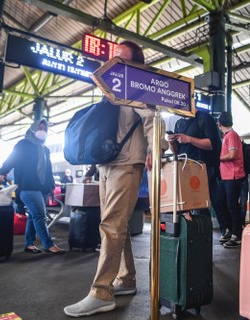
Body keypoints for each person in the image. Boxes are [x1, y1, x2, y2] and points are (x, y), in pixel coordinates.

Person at [64, 40, 168, 317]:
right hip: (108, 164)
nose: (115, 63)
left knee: (111, 225)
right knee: (113, 225)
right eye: (114, 58)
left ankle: (101, 292)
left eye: (123, 59)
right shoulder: (112, 88)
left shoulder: (136, 85)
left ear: (136, 64)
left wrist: (154, 150)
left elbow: (152, 120)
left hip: (127, 164)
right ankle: (126, 279)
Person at [0, 119, 65, 255]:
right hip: (27, 185)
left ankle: (29, 244)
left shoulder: (45, 149)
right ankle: (48, 244)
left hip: (43, 187)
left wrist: (51, 186)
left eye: (45, 128)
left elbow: (48, 169)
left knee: (33, 216)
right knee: (40, 215)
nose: (42, 131)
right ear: (33, 129)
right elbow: (12, 159)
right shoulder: (23, 144)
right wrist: (2, 172)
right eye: (40, 127)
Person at [167, 110, 228, 240]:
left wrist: (188, 139)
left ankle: (226, 230)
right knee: (190, 205)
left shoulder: (204, 118)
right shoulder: (179, 123)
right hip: (185, 169)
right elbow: (177, 151)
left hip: (204, 168)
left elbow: (212, 144)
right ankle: (198, 235)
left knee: (215, 202)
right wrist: (172, 142)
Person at [217, 112, 245, 248]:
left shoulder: (232, 136)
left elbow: (233, 154)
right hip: (226, 176)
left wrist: (219, 158)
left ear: (219, 124)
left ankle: (237, 235)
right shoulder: (227, 136)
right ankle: (230, 230)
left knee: (232, 206)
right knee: (221, 202)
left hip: (233, 176)